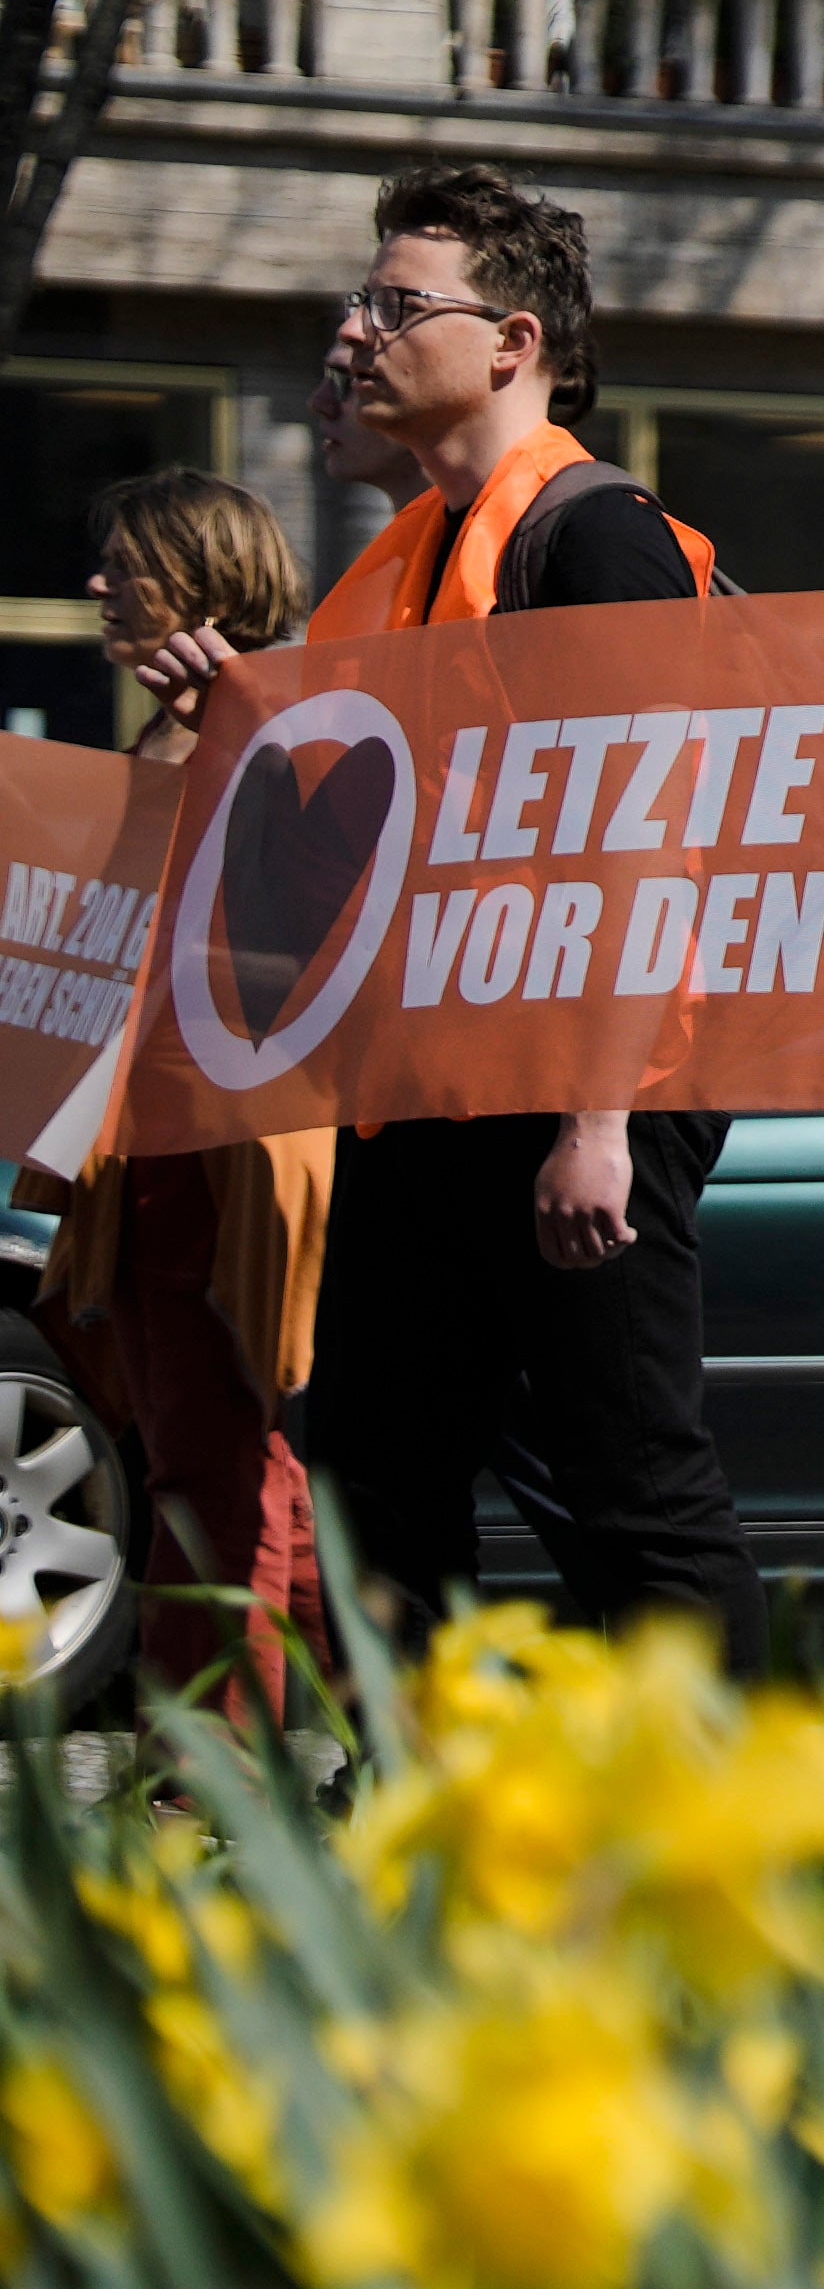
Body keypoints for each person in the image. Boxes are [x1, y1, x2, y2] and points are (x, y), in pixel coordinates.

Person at [293, 161, 762, 1675]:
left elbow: (647, 841)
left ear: (510, 340)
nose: (358, 330)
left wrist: (599, 1118)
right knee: (373, 1467)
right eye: (361, 300)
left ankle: (739, 1845)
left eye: (394, 302)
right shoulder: (417, 551)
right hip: (435, 1087)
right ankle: (421, 1839)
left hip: (583, 1081)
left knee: (632, 1481)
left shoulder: (595, 535)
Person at [33, 473, 328, 1719]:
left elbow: (292, 930)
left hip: (225, 1153)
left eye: (124, 563)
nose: (98, 585)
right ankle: (376, 1702)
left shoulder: (282, 720)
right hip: (148, 1155)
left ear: (198, 574)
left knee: (206, 1470)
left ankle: (205, 1767)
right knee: (217, 1463)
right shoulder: (168, 731)